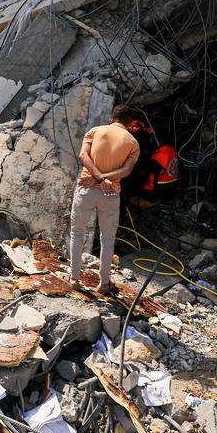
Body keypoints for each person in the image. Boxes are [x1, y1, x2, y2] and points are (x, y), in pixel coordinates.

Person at [69, 104, 141, 292]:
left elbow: (83, 155)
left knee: (77, 233)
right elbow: (126, 171)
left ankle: (74, 279)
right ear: (130, 124)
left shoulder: (95, 131)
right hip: (110, 193)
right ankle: (104, 283)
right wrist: (105, 180)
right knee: (107, 240)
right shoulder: (133, 143)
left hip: (86, 189)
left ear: (112, 119)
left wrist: (97, 178)